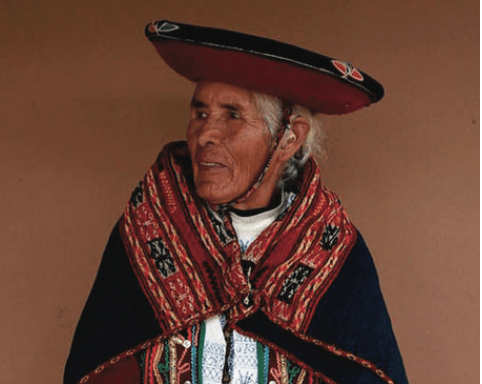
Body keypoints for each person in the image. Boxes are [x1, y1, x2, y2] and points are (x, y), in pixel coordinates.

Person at [64, 20, 409, 384]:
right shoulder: (147, 229)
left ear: (289, 137)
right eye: (200, 113)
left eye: (232, 115)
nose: (206, 134)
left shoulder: (333, 249)